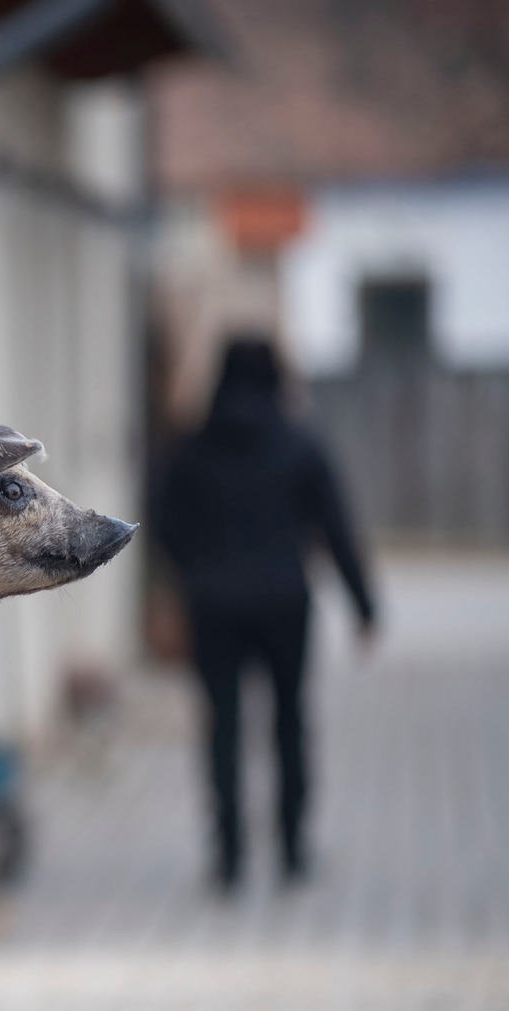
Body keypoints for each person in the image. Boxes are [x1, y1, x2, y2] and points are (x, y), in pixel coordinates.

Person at [156, 337, 377, 891]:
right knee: (290, 722)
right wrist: (363, 606)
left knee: (222, 726)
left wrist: (193, 569)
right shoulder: (300, 445)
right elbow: (335, 527)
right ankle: (293, 848)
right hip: (284, 602)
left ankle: (229, 855)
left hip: (214, 606)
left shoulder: (192, 449)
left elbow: (163, 519)